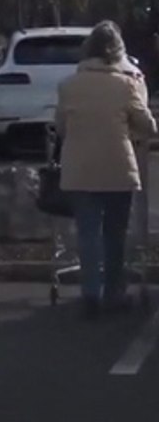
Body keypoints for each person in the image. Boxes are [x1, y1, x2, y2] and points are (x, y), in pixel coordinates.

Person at [56, 20, 157, 319]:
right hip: (117, 167)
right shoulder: (125, 84)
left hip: (79, 169)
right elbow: (147, 126)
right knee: (115, 234)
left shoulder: (69, 86)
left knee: (88, 235)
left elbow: (61, 127)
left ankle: (91, 294)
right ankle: (115, 292)